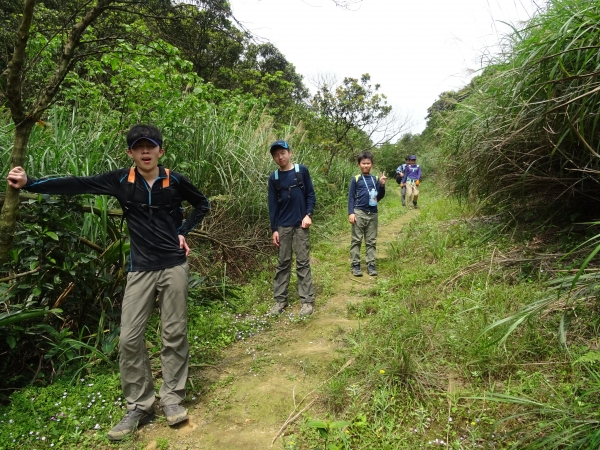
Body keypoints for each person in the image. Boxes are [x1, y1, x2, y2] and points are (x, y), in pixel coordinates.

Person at [6, 124, 210, 441]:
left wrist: (183, 231)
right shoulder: (120, 181)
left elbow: (203, 204)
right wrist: (30, 183)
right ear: (130, 153)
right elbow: (77, 184)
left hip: (173, 266)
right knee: (129, 338)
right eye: (139, 147)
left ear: (160, 151)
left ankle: (171, 400)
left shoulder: (175, 181)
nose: (145, 151)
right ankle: (140, 407)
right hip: (140, 269)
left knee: (174, 333)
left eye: (151, 146)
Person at [267, 140, 316, 317]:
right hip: (283, 226)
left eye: (282, 153)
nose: (280, 157)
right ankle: (280, 300)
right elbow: (272, 205)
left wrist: (308, 214)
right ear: (273, 158)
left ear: (290, 153)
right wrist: (274, 229)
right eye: (276, 155)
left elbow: (310, 194)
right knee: (283, 262)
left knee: (302, 262)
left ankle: (307, 301)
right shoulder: (274, 178)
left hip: (301, 224)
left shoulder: (301, 171)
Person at [348, 151, 387, 277]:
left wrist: (381, 185)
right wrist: (351, 213)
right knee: (356, 240)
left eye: (368, 163)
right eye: (363, 163)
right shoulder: (356, 179)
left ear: (372, 164)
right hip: (359, 212)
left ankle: (371, 264)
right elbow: (351, 198)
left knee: (371, 241)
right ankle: (355, 265)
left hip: (373, 214)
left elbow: (378, 197)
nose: (366, 165)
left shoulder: (375, 179)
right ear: (359, 164)